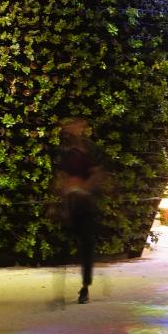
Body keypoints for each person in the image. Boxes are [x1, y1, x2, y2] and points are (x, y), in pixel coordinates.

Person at [53, 116, 100, 303]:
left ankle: (85, 288)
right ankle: (63, 291)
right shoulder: (65, 151)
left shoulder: (88, 149)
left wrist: (84, 188)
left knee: (86, 246)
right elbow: (62, 175)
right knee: (65, 246)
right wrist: (64, 191)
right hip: (71, 202)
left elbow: (97, 173)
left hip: (85, 203)